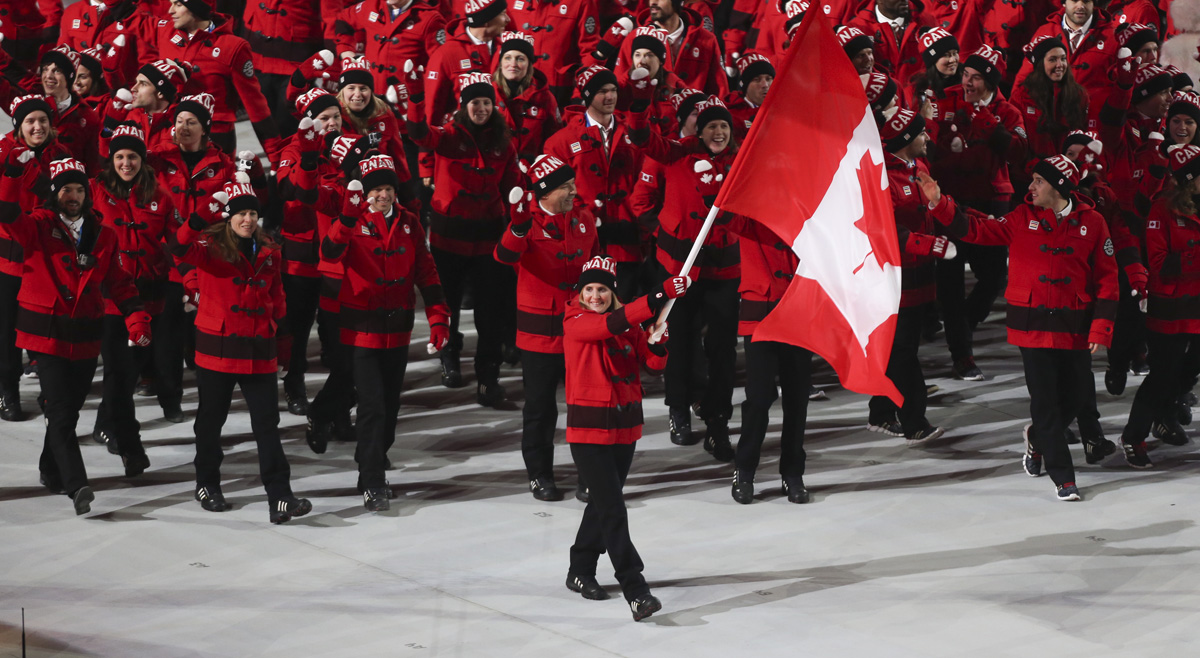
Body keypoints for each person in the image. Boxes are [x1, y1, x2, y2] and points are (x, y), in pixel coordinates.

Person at [928, 155, 1119, 501]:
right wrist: (939, 205)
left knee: (1076, 398)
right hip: (1031, 326)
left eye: (1038, 181)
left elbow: (1108, 279)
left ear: (1059, 187)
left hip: (1074, 326)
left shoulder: (1094, 223)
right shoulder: (1021, 217)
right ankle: (1064, 478)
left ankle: (1037, 439)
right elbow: (978, 230)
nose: (1030, 187)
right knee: (1044, 402)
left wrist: (1100, 329)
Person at [0, 155, 152, 515]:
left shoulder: (105, 236)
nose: (73, 195)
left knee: (66, 412)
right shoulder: (37, 225)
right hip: (45, 337)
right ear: (55, 193)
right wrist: (10, 174)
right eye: (66, 188)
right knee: (63, 413)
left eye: (79, 189)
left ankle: (49, 468)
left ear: (87, 194)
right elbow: (6, 215)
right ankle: (77, 485)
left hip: (85, 338)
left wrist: (137, 318)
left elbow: (121, 284)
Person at [172, 181, 312, 524]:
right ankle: (207, 484)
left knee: (268, 425)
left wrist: (283, 347)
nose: (247, 219)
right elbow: (177, 248)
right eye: (241, 213)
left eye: (252, 213)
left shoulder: (270, 250)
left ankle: (280, 496)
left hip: (259, 349)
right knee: (210, 422)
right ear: (228, 217)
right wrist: (200, 215)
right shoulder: (208, 246)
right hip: (218, 349)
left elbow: (277, 298)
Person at [322, 153, 451, 511]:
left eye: (387, 188)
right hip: (361, 330)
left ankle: (374, 459)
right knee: (373, 406)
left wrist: (439, 318)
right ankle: (372, 478)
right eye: (375, 189)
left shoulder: (410, 223)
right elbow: (330, 252)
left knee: (391, 408)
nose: (382, 195)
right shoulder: (351, 221)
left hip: (398, 329)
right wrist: (346, 218)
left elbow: (427, 273)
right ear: (364, 193)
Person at [562, 255, 685, 622]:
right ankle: (635, 588)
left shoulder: (629, 324)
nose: (595, 295)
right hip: (589, 430)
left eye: (602, 289)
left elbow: (652, 364)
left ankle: (580, 569)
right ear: (580, 294)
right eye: (589, 289)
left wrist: (659, 340)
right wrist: (657, 295)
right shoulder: (575, 320)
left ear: (612, 291)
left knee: (603, 504)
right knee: (613, 508)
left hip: (625, 426)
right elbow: (607, 327)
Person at [629, 95, 740, 458]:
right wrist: (636, 102)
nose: (719, 132)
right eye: (711, 125)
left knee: (723, 351)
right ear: (699, 129)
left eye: (724, 125)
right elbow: (644, 139)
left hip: (725, 272)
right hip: (678, 270)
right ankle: (679, 409)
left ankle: (718, 421)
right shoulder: (676, 153)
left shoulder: (742, 161)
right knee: (680, 342)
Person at [407, 72, 519, 404]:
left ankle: (489, 378)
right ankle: (449, 359)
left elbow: (512, 187)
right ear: (463, 106)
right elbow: (418, 134)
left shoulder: (504, 142)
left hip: (488, 240)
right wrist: (415, 98)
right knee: (449, 305)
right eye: (475, 102)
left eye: (486, 102)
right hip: (448, 239)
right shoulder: (448, 135)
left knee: (490, 314)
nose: (481, 108)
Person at [495, 155, 599, 502]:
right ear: (545, 192)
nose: (574, 191)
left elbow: (598, 266)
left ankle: (588, 474)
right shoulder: (526, 222)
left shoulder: (584, 218)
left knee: (585, 407)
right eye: (566, 187)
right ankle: (539, 474)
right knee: (540, 410)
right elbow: (504, 257)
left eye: (572, 184)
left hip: (580, 332)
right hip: (539, 336)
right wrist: (519, 226)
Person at [929, 44, 1027, 382]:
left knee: (994, 277)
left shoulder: (1009, 111)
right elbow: (930, 147)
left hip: (991, 200)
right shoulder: (943, 100)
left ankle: (963, 325)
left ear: (991, 81)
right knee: (950, 280)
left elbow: (1016, 152)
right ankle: (962, 354)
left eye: (975, 77)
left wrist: (984, 117)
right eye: (965, 75)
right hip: (952, 200)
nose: (967, 82)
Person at [88, 123, 177, 465]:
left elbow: (174, 244)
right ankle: (121, 434)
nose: (127, 163)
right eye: (120, 157)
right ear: (111, 160)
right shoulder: (95, 191)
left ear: (143, 160)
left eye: (133, 157)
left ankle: (103, 424)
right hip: (112, 298)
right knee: (118, 368)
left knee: (131, 369)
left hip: (150, 296)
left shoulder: (160, 196)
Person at [867, 108, 955, 444]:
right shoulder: (880, 177)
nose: (927, 138)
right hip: (895, 277)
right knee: (902, 351)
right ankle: (914, 421)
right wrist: (931, 245)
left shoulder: (919, 167)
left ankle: (881, 412)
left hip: (921, 275)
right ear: (906, 139)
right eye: (921, 134)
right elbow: (888, 230)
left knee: (902, 348)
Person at [148, 92, 233, 423]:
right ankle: (170, 398)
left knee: (200, 332)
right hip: (167, 260)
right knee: (168, 334)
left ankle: (211, 394)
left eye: (191, 122)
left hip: (205, 260)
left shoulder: (223, 165)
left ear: (205, 128)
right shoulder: (157, 158)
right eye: (179, 121)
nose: (183, 127)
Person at [1119, 144, 1200, 467]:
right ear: (1190, 180)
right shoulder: (1161, 210)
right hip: (1170, 309)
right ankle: (1133, 436)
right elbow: (1159, 262)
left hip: (1197, 305)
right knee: (1162, 376)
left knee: (1190, 368)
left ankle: (1165, 416)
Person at [545, 65, 648, 299]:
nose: (610, 96)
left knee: (623, 317)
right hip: (582, 243)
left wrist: (639, 225)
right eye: (602, 91)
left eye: (613, 90)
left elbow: (645, 184)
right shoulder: (560, 141)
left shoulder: (634, 134)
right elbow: (556, 197)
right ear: (588, 95)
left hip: (626, 242)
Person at [0, 95, 73, 423]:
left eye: (42, 120)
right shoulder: (3, 152)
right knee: (5, 332)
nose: (37, 126)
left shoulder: (61, 155)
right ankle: (7, 391)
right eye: (30, 121)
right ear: (18, 125)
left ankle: (50, 391)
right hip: (8, 261)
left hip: (46, 261)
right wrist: (17, 172)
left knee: (45, 329)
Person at [154, 0, 283, 161]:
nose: (170, 10)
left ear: (197, 9)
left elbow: (255, 106)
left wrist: (275, 155)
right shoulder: (165, 31)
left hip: (215, 140)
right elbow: (129, 17)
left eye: (178, 5)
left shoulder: (232, 47)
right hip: (170, 135)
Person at [491, 32, 560, 164]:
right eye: (507, 58)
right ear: (500, 63)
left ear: (529, 64)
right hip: (494, 173)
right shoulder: (487, 94)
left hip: (531, 174)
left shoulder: (545, 98)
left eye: (520, 59)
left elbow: (554, 141)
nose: (513, 64)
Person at [37, 45, 102, 173]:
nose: (48, 76)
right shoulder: (32, 103)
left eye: (57, 71)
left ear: (70, 76)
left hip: (68, 187)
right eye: (45, 69)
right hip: (34, 185)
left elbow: (93, 165)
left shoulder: (89, 116)